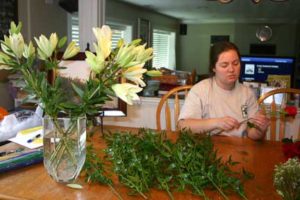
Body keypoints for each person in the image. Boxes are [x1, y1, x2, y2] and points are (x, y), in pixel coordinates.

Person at [178, 41, 269, 140]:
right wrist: (216, 123)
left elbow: (252, 134)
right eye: (224, 65)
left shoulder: (247, 93)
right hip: (208, 147)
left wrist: (260, 130)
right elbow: (183, 126)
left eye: (235, 63)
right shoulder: (200, 90)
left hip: (239, 149)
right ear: (213, 68)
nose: (231, 69)